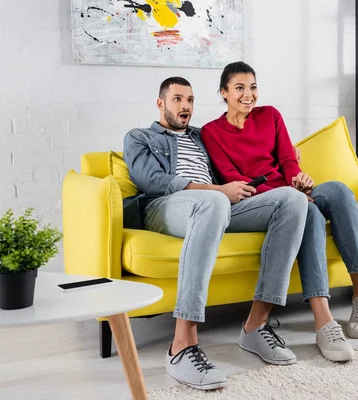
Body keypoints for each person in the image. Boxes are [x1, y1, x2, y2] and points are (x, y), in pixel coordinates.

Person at [122, 77, 310, 391]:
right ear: (161, 103)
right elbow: (153, 182)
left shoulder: (204, 135)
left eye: (191, 100)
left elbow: (237, 161)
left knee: (292, 200)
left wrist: (287, 157)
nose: (186, 106)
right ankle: (181, 345)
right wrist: (216, 190)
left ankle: (256, 325)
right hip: (166, 207)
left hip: (218, 204)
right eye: (178, 99)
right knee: (212, 202)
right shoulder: (139, 137)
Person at [201, 61, 358, 362]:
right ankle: (324, 322)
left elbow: (286, 160)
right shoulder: (212, 132)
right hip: (266, 202)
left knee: (340, 192)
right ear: (224, 92)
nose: (248, 94)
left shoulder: (270, 115)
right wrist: (290, 196)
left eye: (252, 87)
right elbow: (235, 182)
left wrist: (298, 180)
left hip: (295, 192)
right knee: (311, 214)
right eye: (239, 88)